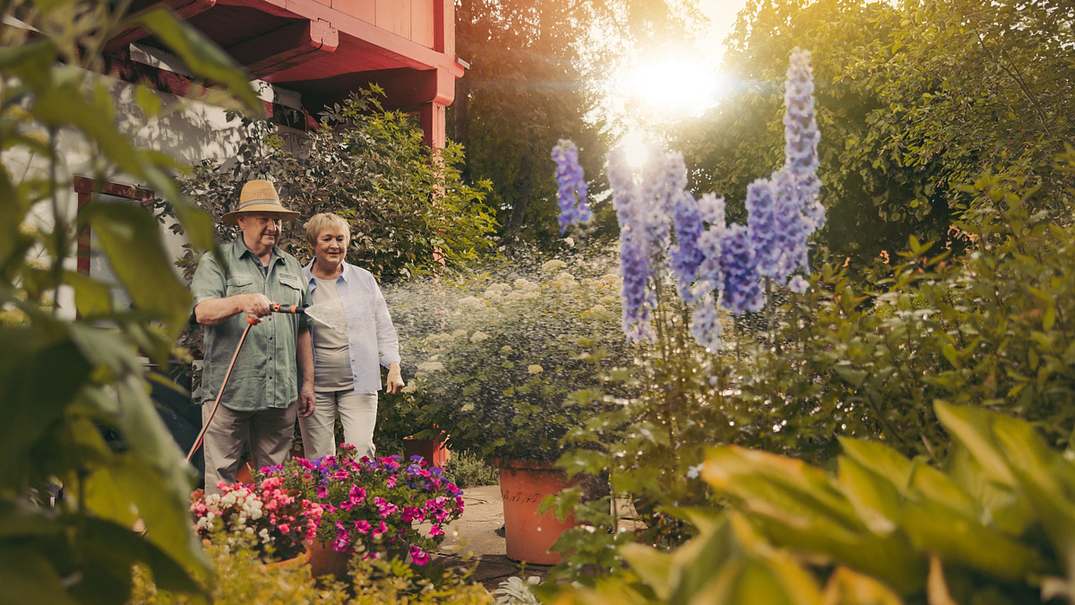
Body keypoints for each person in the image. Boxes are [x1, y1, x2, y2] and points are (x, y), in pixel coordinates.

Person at [191, 179, 315, 494]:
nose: (272, 226)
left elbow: (303, 329)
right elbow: (202, 312)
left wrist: (308, 383)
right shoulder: (216, 261)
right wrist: (241, 301)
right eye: (264, 218)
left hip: (280, 393)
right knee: (221, 481)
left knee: (274, 486)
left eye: (276, 220)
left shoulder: (292, 266)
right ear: (242, 221)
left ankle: (267, 543)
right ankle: (219, 542)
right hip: (230, 391)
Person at [299, 212, 404, 459]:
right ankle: (323, 500)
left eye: (340, 239)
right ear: (313, 243)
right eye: (327, 239)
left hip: (358, 383)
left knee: (362, 452)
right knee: (319, 458)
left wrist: (393, 365)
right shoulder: (297, 281)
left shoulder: (363, 279)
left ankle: (359, 498)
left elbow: (383, 325)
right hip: (313, 388)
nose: (335, 245)